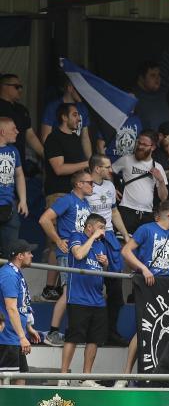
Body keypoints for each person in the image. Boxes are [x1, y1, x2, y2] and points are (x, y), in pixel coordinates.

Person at [117, 200, 169, 383]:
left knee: (164, 328)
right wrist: (143, 268)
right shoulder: (147, 229)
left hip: (167, 284)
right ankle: (126, 373)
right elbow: (126, 251)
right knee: (142, 329)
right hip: (147, 283)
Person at [38, 170, 93, 347]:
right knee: (69, 291)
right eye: (89, 182)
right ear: (79, 184)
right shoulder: (67, 200)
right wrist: (57, 240)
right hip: (68, 254)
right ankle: (53, 332)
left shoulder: (85, 204)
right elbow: (44, 219)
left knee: (75, 293)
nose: (93, 186)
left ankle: (73, 333)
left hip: (81, 254)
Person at [41, 102, 89, 302]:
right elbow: (59, 168)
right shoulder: (54, 138)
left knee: (72, 240)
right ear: (63, 117)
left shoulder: (75, 138)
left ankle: (62, 286)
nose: (79, 118)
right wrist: (87, 163)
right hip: (58, 194)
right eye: (75, 114)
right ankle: (50, 287)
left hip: (73, 195)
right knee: (56, 242)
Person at [56, 213, 109, 386]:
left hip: (98, 299)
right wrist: (93, 237)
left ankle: (86, 377)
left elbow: (104, 269)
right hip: (79, 298)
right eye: (101, 227)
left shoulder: (101, 245)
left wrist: (105, 262)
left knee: (94, 339)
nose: (104, 231)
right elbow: (78, 255)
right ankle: (63, 377)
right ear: (90, 227)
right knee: (73, 337)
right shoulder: (76, 236)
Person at [85, 154, 129, 344]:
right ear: (96, 168)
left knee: (116, 289)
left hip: (110, 237)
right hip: (91, 238)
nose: (111, 170)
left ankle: (111, 331)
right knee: (91, 287)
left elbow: (114, 211)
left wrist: (125, 234)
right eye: (107, 167)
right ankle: (89, 333)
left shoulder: (110, 186)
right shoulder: (85, 185)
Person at [0, 240, 40, 385]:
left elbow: (21, 304)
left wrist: (28, 327)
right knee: (5, 383)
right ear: (20, 256)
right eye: (29, 253)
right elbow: (11, 308)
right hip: (6, 338)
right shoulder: (9, 275)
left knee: (21, 379)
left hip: (14, 337)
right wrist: (22, 337)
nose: (32, 256)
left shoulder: (15, 273)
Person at [113, 130, 168, 233]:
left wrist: (160, 180)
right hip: (127, 210)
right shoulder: (126, 160)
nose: (140, 146)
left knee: (144, 246)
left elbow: (163, 197)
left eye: (144, 144)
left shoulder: (158, 167)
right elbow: (108, 171)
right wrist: (112, 188)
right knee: (123, 243)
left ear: (153, 147)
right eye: (139, 142)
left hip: (147, 214)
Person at [40, 77, 92, 159]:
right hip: (60, 159)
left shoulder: (83, 108)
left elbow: (85, 138)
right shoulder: (53, 107)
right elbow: (45, 137)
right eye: (79, 89)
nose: (83, 93)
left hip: (78, 159)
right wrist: (55, 159)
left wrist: (90, 162)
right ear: (70, 88)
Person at [0, 117, 28, 257]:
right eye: (13, 129)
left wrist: (23, 200)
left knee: (10, 251)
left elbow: (19, 175)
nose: (17, 131)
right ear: (2, 131)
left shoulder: (13, 151)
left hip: (9, 206)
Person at [0, 73, 43, 160]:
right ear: (4, 86)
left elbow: (30, 135)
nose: (20, 90)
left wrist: (45, 154)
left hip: (19, 161)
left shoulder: (22, 109)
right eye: (16, 86)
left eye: (21, 87)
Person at [133, 61, 169, 131]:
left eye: (159, 75)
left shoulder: (162, 95)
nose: (158, 78)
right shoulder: (132, 98)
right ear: (141, 78)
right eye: (153, 75)